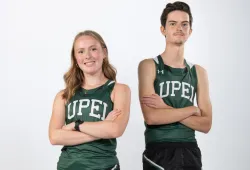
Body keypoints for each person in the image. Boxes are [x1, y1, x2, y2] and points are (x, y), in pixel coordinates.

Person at [138, 1, 212, 170]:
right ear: (163, 29)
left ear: (190, 31)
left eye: (184, 24)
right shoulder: (149, 65)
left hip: (190, 149)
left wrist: (164, 107)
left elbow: (206, 124)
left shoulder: (198, 72)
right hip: (159, 149)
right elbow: (151, 117)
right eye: (173, 23)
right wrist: (192, 110)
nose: (179, 28)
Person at [49, 30, 131, 170]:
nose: (87, 56)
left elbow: (115, 130)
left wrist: (75, 125)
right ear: (75, 58)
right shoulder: (63, 95)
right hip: (68, 166)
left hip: (104, 166)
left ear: (104, 52)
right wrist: (102, 127)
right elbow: (55, 137)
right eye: (80, 51)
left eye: (93, 49)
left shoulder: (119, 90)